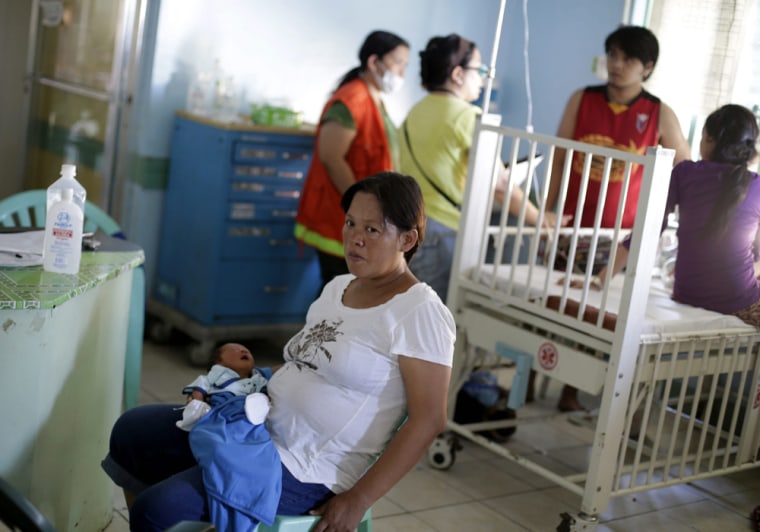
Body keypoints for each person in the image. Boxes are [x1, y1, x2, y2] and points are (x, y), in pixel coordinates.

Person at [101, 172, 455, 532]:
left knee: (158, 509)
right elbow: (308, 363)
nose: (355, 239)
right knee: (133, 432)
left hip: (305, 468)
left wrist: (359, 498)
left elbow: (429, 418)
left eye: (373, 230)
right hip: (256, 429)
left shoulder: (419, 312)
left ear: (407, 239)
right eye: (350, 223)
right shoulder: (339, 287)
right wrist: (242, 381)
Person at [542, 25, 691, 411]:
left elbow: (686, 168)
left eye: (627, 59)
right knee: (551, 306)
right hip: (572, 224)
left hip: (619, 234)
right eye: (612, 55)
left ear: (647, 67)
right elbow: (559, 154)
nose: (616, 64)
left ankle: (571, 390)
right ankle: (536, 376)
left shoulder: (657, 112)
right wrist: (549, 208)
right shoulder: (583, 98)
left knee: (594, 314)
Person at [399, 33, 566, 302]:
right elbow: (500, 185)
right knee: (438, 322)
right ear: (457, 74)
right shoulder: (468, 116)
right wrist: (542, 221)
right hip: (445, 233)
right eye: (480, 69)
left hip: (412, 227)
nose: (484, 77)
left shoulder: (414, 112)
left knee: (415, 313)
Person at [591, 104, 760, 325]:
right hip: (739, 301)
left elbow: (645, 230)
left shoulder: (685, 173)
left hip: (687, 293)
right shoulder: (756, 185)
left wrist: (599, 282)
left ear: (710, 140)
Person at [295, 30, 410, 289]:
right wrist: (361, 206)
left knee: (345, 295)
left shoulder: (373, 99)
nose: (402, 71)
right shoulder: (352, 100)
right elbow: (331, 157)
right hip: (340, 217)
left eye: (405, 64)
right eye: (398, 62)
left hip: (361, 218)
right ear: (373, 62)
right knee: (339, 295)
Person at [175, 342, 274, 431]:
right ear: (219, 361)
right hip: (225, 406)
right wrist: (197, 401)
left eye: (247, 350)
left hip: (255, 415)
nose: (243, 351)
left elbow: (281, 370)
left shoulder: (258, 374)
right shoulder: (219, 372)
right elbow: (203, 382)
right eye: (235, 350)